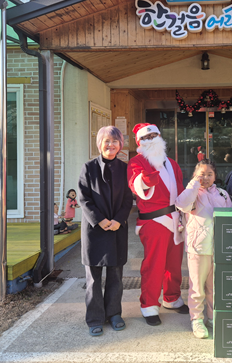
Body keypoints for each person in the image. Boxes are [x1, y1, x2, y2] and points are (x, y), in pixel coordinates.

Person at [127, 123, 188, 326]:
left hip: (175, 219)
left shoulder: (172, 163)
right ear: (139, 142)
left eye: (153, 135)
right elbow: (135, 183)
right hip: (153, 220)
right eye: (145, 137)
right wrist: (145, 181)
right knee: (154, 266)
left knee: (174, 264)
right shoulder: (136, 162)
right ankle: (149, 305)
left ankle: (172, 298)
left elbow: (180, 190)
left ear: (160, 137)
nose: (150, 139)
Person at [78, 126, 133, 337]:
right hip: (94, 230)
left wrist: (119, 220)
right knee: (93, 278)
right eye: (106, 141)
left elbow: (128, 198)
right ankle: (94, 318)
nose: (110, 145)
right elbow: (84, 199)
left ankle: (114, 314)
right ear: (99, 143)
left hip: (117, 229)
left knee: (116, 275)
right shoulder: (88, 168)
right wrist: (99, 220)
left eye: (115, 141)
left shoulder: (125, 168)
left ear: (120, 145)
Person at [176, 159, 232, 339]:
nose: (206, 178)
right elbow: (181, 204)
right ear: (194, 175)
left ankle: (213, 316)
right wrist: (194, 184)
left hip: (218, 247)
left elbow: (230, 217)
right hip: (198, 248)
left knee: (215, 286)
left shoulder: (223, 194)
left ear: (215, 176)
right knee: (197, 287)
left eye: (209, 174)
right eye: (201, 174)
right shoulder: (192, 193)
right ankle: (197, 319)